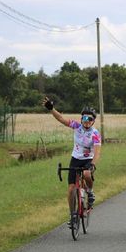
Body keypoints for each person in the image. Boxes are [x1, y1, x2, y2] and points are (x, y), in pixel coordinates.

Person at [42, 97, 101, 227]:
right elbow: (62, 119)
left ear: (93, 121)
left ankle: (90, 192)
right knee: (70, 189)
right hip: (75, 159)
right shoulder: (76, 126)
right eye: (84, 118)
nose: (86, 121)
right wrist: (52, 109)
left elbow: (97, 151)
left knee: (86, 174)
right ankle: (72, 215)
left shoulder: (95, 133)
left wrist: (93, 164)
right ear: (81, 119)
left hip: (87, 160)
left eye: (90, 119)